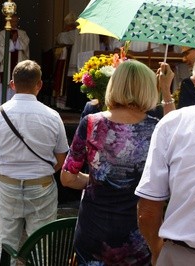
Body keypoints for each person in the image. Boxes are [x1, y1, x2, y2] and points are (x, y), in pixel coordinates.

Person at [135, 45, 195, 265]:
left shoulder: (176, 123)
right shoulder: (175, 122)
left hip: (188, 256)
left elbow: (148, 209)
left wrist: (158, 250)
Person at [60, 59, 160, 265]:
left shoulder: (91, 123)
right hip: (135, 235)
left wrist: (97, 179)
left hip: (93, 231)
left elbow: (67, 178)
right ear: (149, 89)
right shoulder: (158, 129)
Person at [0, 60, 69, 266]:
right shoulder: (53, 116)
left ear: (12, 84)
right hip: (42, 186)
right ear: (39, 85)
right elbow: (61, 160)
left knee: (4, 246)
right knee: (42, 250)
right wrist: (41, 174)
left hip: (8, 185)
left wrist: (6, 175)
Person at [56, 12, 100, 111]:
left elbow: (62, 38)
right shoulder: (96, 31)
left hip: (79, 61)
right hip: (91, 62)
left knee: (78, 82)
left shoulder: (78, 32)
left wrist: (63, 31)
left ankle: (76, 106)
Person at [0, 14, 30, 105]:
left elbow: (25, 45)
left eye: (15, 21)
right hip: (7, 65)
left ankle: (18, 105)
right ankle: (4, 105)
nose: (13, 23)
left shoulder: (22, 33)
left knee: (18, 84)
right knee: (6, 85)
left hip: (18, 63)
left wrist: (16, 41)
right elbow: (1, 47)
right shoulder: (3, 33)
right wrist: (12, 41)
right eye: (12, 21)